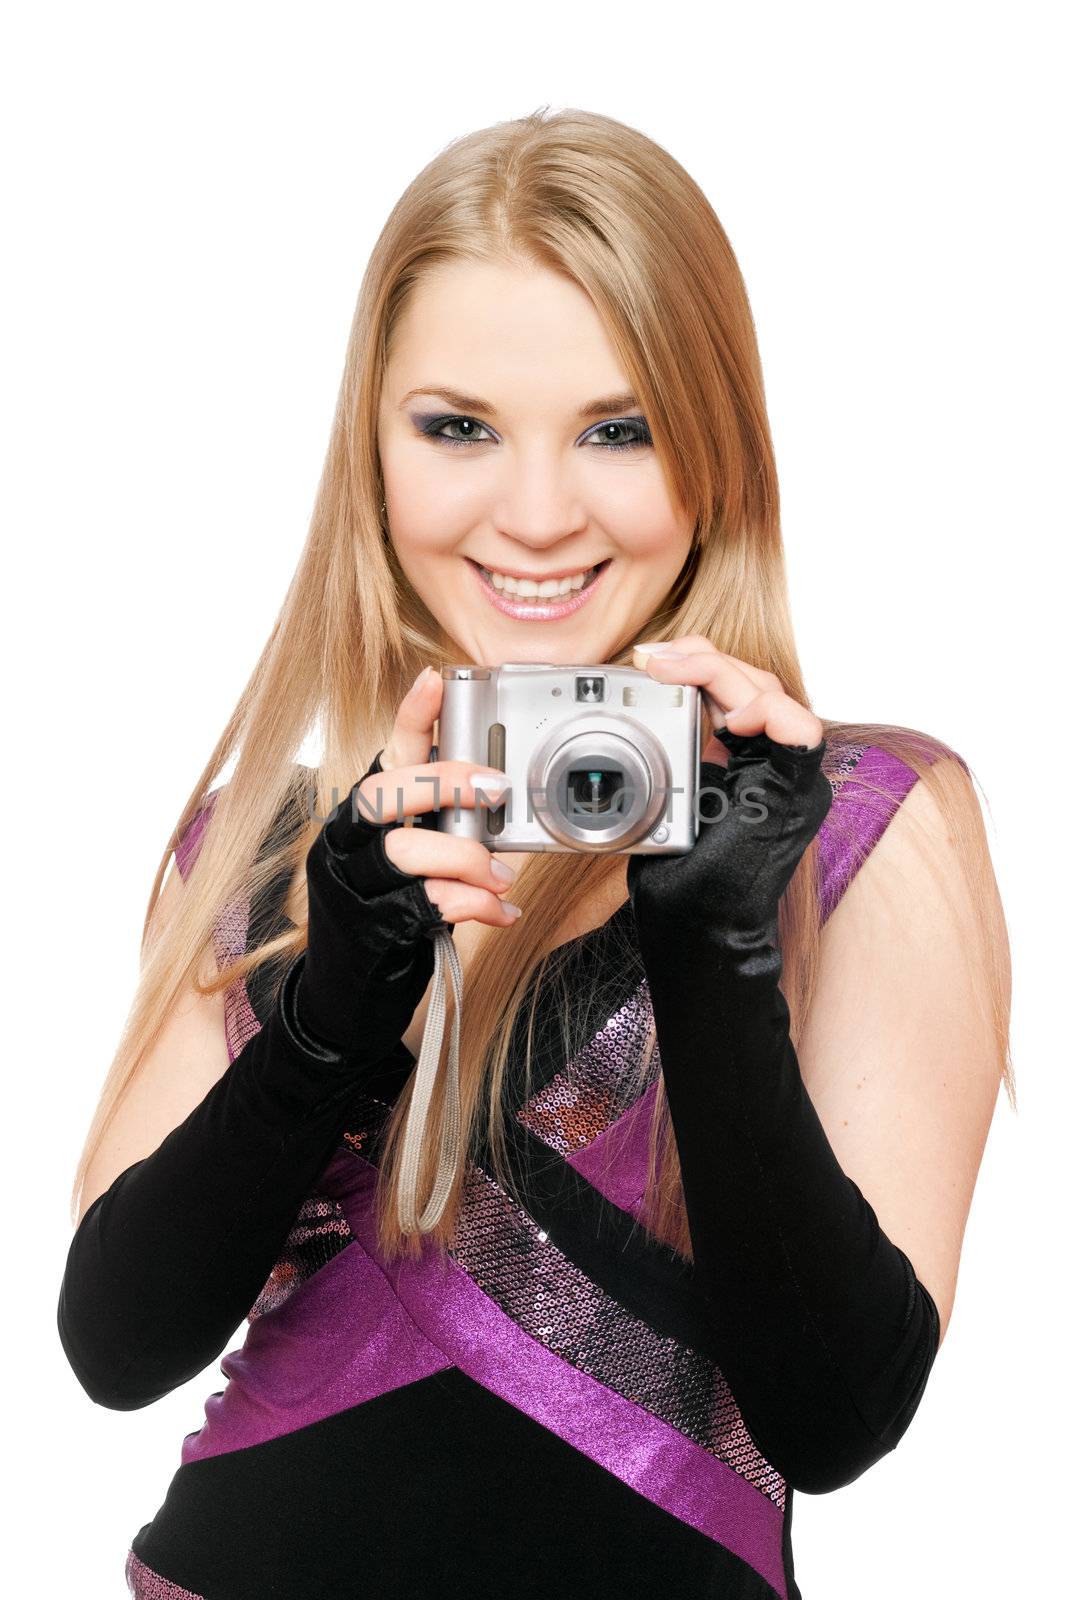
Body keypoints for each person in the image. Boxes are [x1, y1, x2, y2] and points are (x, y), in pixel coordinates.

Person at [57, 107, 1012, 1600]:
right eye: (459, 428)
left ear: (715, 452)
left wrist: (719, 954)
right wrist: (326, 1023)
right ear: (371, 449)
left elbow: (836, 1417)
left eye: (618, 430)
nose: (540, 514)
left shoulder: (859, 821)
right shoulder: (264, 849)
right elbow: (115, 1348)